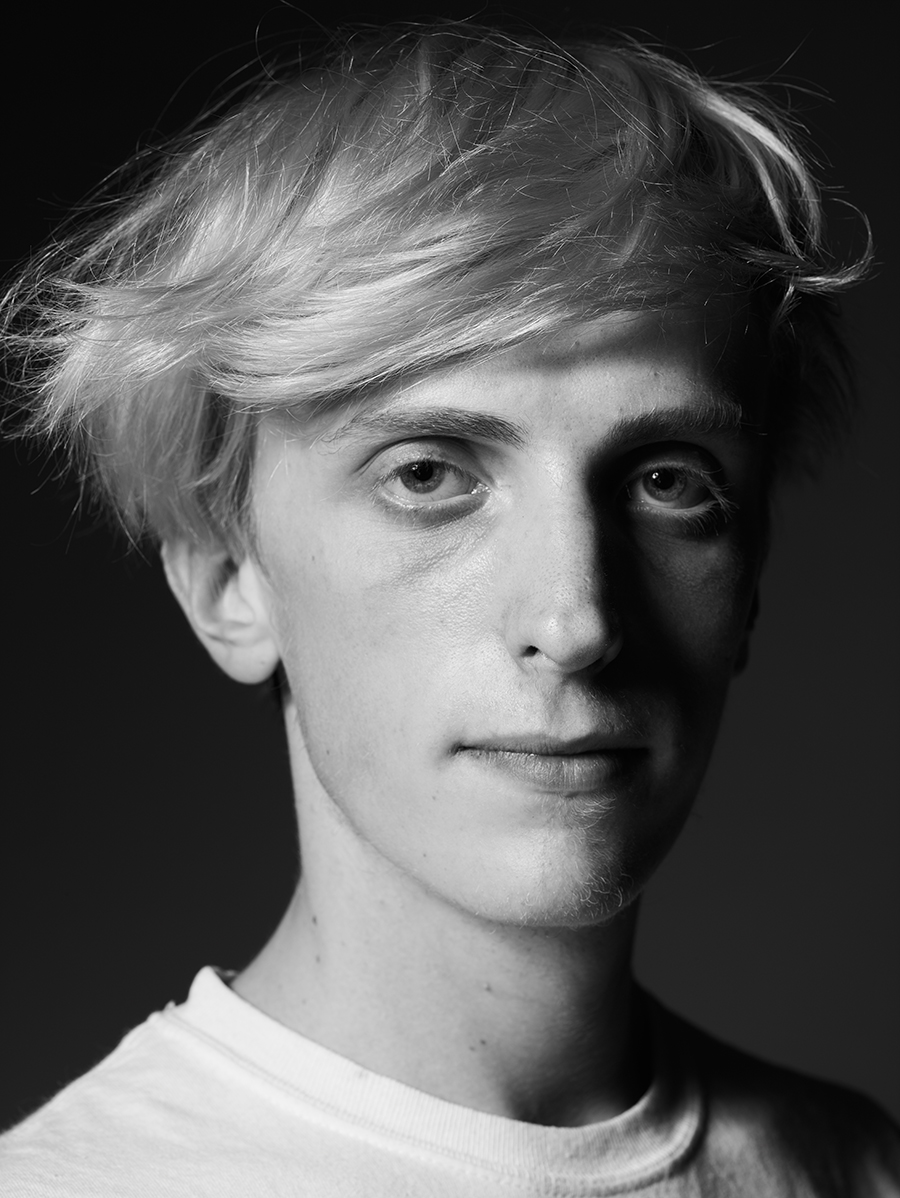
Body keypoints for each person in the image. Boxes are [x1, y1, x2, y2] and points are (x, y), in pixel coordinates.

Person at [1, 19, 897, 1196]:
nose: (578, 621)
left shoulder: (857, 1165)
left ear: (752, 575)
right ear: (227, 578)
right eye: (428, 473)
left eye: (669, 481)